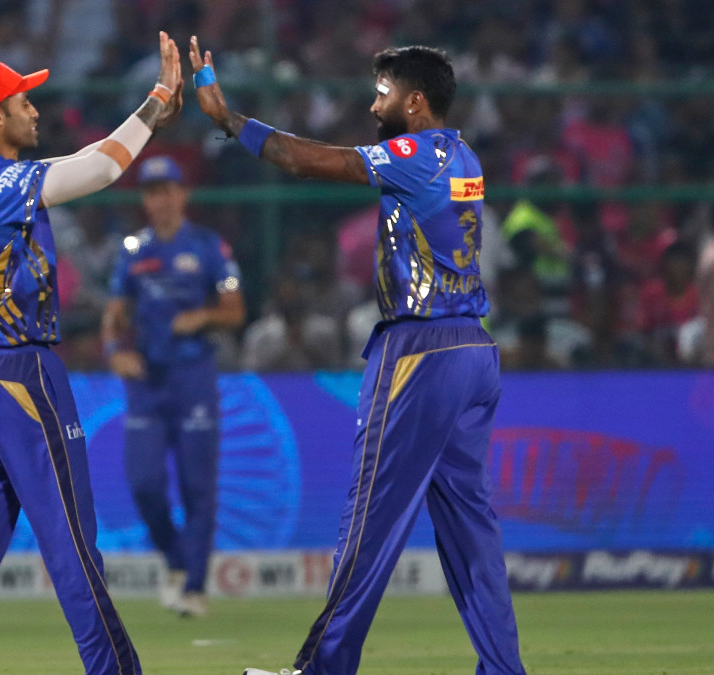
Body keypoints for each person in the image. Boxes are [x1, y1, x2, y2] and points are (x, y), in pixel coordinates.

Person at [186, 38, 526, 675]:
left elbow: (307, 160)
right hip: (473, 350)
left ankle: (323, 668)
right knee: (470, 527)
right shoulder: (464, 154)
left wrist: (228, 119)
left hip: (419, 351)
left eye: (383, 93)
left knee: (369, 515)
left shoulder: (415, 153)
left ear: (415, 102)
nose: (374, 106)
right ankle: (503, 669)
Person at [0, 31, 183, 675]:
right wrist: (155, 102)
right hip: (19, 370)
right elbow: (101, 169)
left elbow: (82, 158)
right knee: (69, 535)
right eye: (21, 100)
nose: (35, 109)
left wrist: (136, 122)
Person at [100, 154, 244, 617]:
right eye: (151, 192)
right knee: (144, 483)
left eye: (167, 190)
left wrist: (203, 316)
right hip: (147, 378)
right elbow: (114, 313)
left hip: (193, 376)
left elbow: (235, 310)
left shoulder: (207, 246)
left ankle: (195, 588)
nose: (160, 200)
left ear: (183, 195)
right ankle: (176, 560)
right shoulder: (133, 250)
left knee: (197, 486)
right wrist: (112, 352)